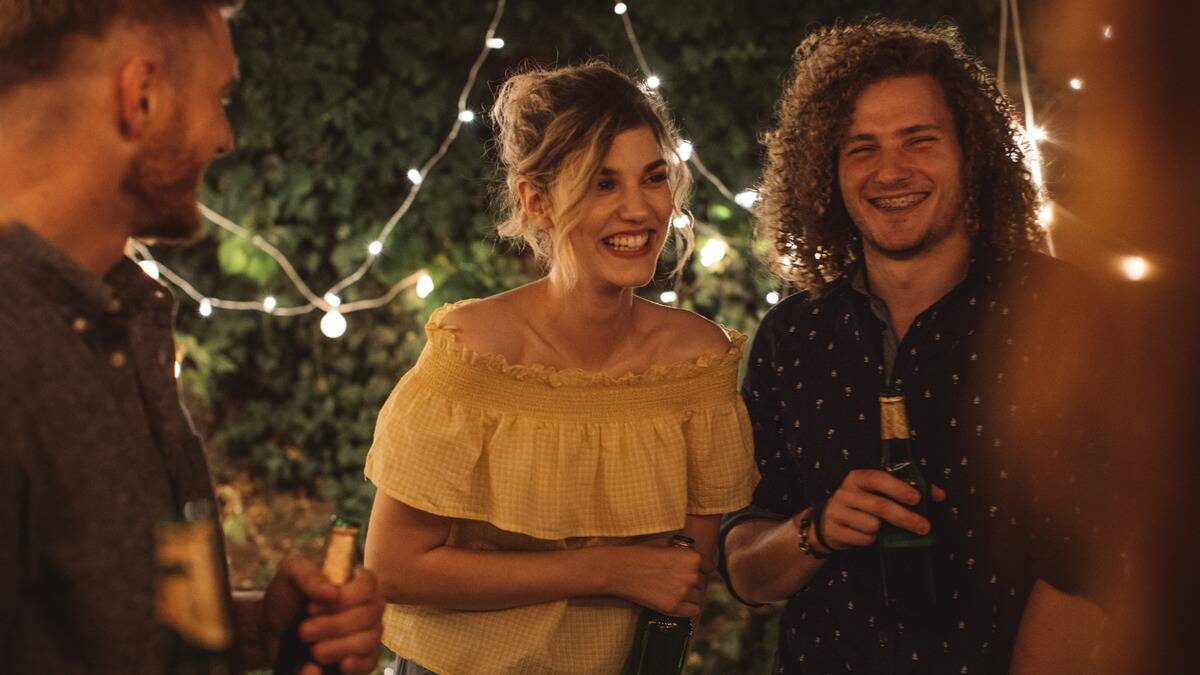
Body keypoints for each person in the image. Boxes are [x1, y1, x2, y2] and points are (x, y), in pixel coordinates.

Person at [0, 1, 384, 672]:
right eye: (220, 96)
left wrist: (249, 630)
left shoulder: (110, 319)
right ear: (140, 95)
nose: (225, 136)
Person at [719, 20, 1107, 674]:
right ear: (829, 170)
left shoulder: (1064, 315)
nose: (889, 170)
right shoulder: (791, 336)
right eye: (859, 147)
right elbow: (747, 571)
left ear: (971, 153)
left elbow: (1095, 568)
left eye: (918, 140)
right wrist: (817, 528)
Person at [362, 61, 759, 675]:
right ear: (536, 200)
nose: (639, 209)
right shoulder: (474, 353)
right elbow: (392, 569)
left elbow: (681, 584)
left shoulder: (696, 364)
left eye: (652, 178)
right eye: (603, 184)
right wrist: (607, 569)